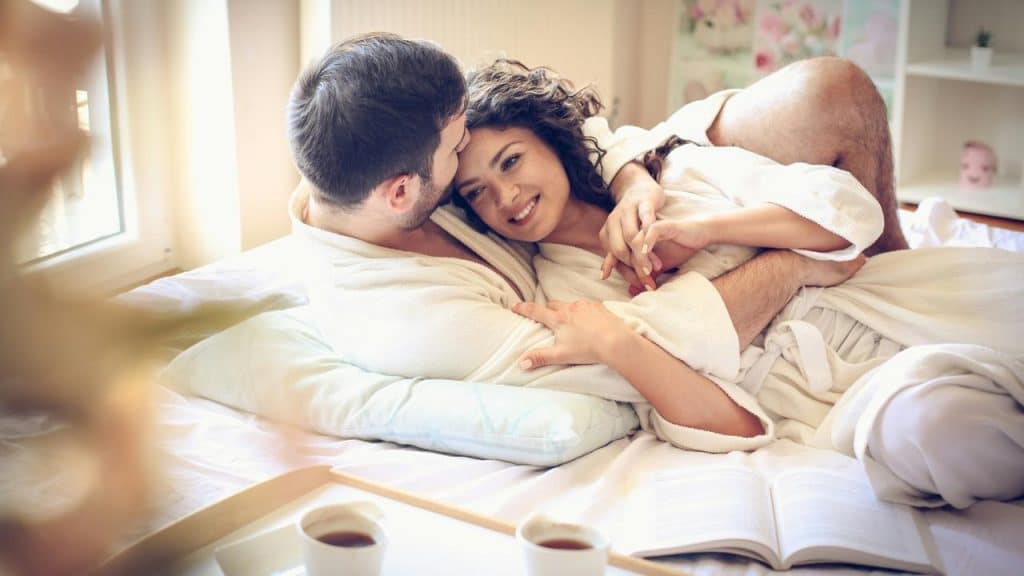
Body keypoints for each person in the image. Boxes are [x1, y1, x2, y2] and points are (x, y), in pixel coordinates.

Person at [451, 58, 1024, 508]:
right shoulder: (562, 299)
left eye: (510, 161)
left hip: (902, 303)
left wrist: (702, 231)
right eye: (476, 191)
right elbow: (720, 413)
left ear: (552, 142)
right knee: (935, 428)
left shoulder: (675, 173)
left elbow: (852, 211)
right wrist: (623, 343)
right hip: (841, 399)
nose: (504, 197)